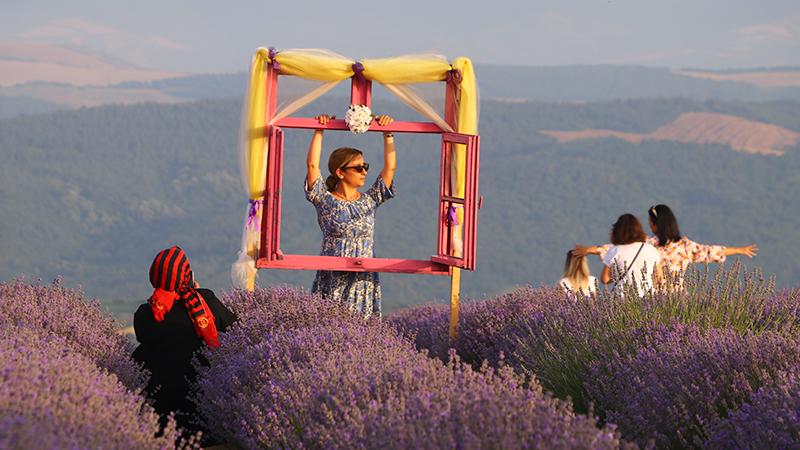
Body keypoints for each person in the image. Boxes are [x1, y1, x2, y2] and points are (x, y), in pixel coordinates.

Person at [133, 246, 237, 440]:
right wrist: (197, 294)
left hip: (159, 411)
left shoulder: (146, 313)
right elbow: (236, 329)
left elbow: (146, 336)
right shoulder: (205, 301)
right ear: (187, 276)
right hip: (203, 407)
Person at [304, 113, 396, 317]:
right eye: (358, 168)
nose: (364, 172)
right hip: (332, 275)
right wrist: (319, 130)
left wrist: (388, 133)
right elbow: (312, 166)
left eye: (365, 167)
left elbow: (390, 168)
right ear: (340, 172)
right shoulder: (324, 199)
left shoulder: (369, 200)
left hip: (363, 278)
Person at [576, 204, 757, 286]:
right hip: (678, 298)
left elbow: (617, 250)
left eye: (650, 221)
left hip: (652, 298)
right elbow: (711, 251)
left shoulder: (648, 244)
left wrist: (591, 250)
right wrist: (739, 250)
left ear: (656, 224)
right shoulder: (685, 245)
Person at [601, 213, 662, 296]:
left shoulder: (614, 250)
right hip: (648, 298)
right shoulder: (651, 249)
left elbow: (605, 279)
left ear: (617, 231)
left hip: (622, 299)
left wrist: (619, 275)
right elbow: (659, 277)